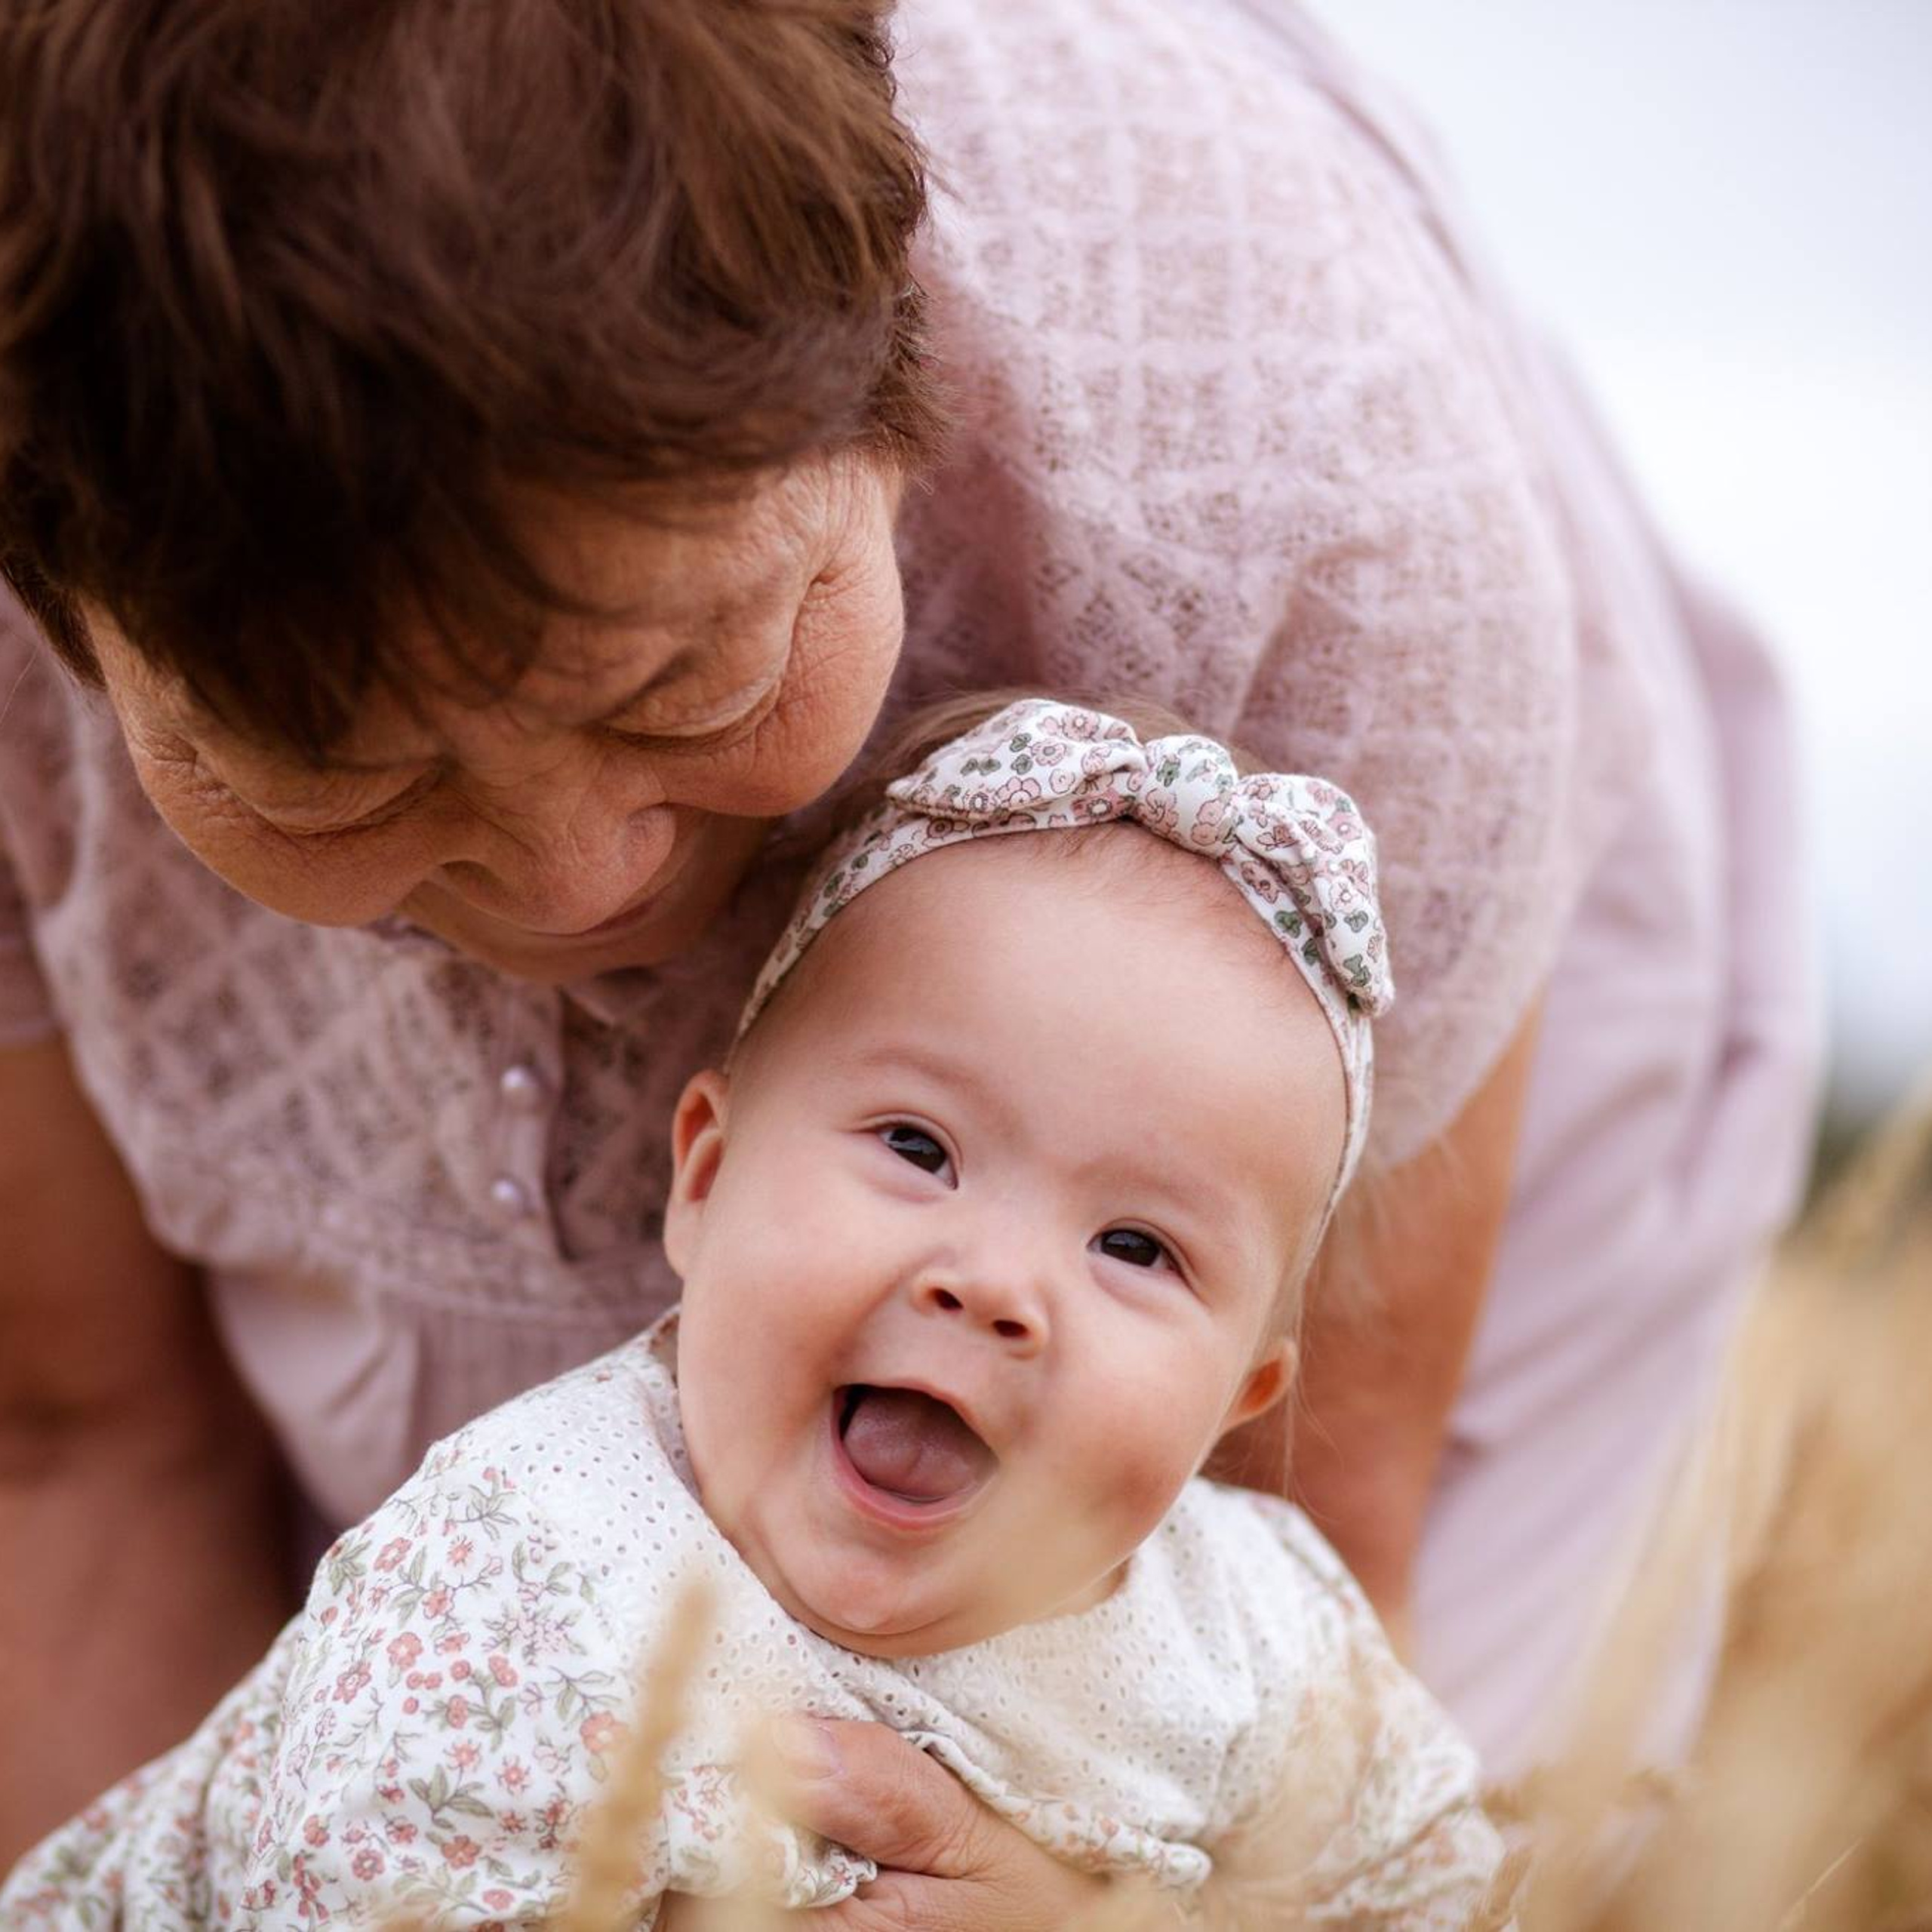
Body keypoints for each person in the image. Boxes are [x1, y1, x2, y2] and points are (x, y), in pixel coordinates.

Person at [0, 0, 1815, 1905]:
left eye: (693, 671)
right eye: (335, 768)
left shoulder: (1325, 489)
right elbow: (74, 1446)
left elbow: (1339, 1568)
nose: (575, 886)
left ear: (890, 380)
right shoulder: (480, 1606)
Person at [1, 700, 1508, 1929]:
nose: (991, 1283)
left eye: (1132, 1244)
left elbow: (1438, 1891)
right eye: (916, 1148)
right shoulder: (511, 1587)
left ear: (1233, 1403)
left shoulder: (1250, 1637)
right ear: (705, 1178)